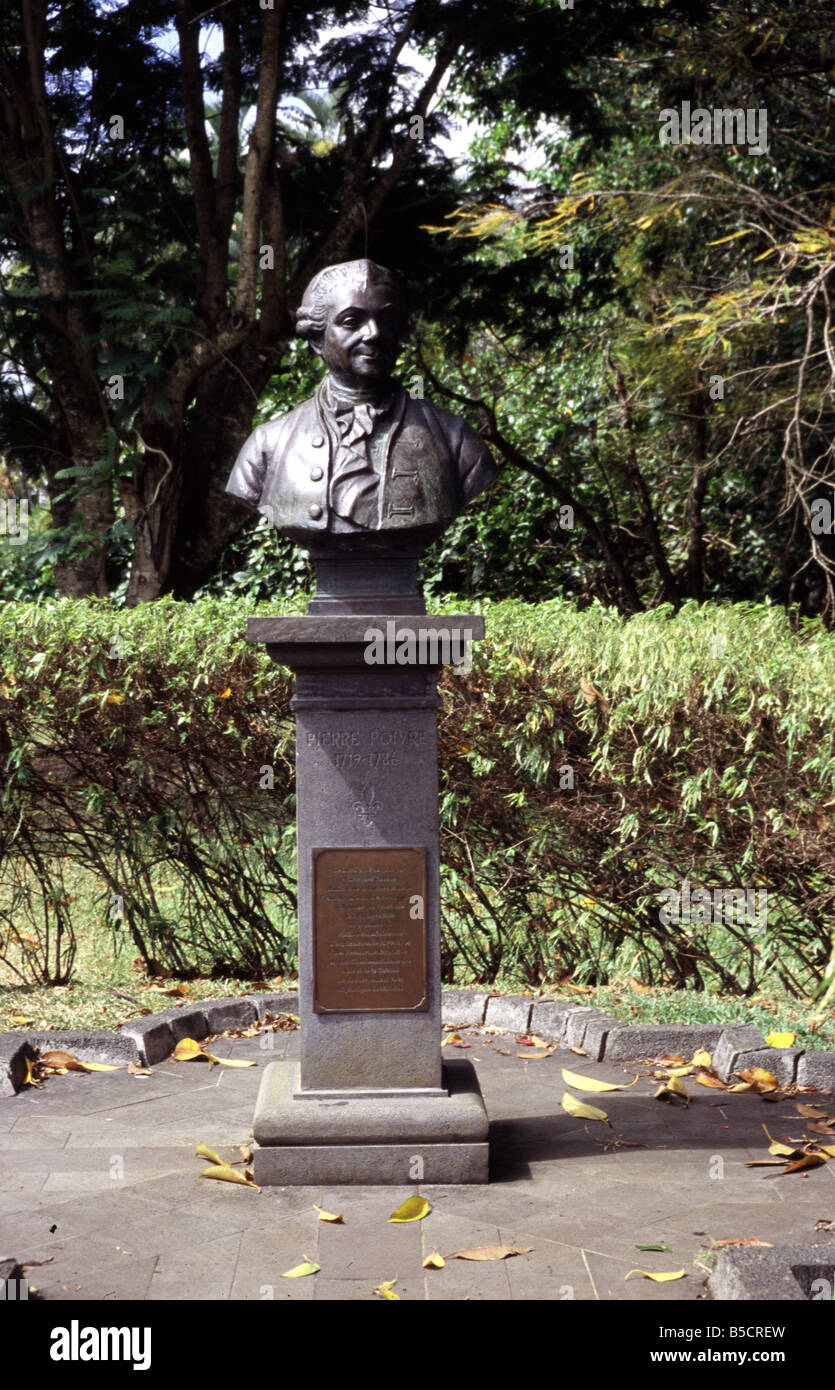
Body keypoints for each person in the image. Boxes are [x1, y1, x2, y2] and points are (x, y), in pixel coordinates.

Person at [225, 259, 499, 547]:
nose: (374, 334)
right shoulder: (268, 445)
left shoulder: (455, 439)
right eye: (352, 322)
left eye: (387, 320)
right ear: (318, 338)